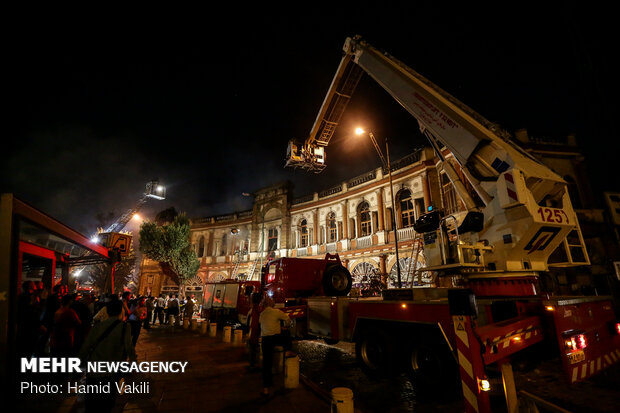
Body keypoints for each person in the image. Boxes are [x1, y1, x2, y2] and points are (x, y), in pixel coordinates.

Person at [78, 300, 137, 413]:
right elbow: (129, 348)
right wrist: (134, 363)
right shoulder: (125, 327)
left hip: (93, 372)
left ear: (107, 311)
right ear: (121, 311)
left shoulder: (97, 327)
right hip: (110, 373)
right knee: (107, 405)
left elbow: (85, 348)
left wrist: (75, 368)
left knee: (91, 405)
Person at [258, 296, 291, 396]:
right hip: (275, 339)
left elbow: (262, 324)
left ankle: (266, 388)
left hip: (265, 340)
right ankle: (288, 349)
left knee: (266, 363)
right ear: (272, 304)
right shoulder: (276, 312)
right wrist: (284, 326)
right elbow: (287, 318)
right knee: (286, 333)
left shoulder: (262, 314)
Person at [246, 292, 262, 371]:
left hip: (252, 331)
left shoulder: (253, 309)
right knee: (253, 348)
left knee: (252, 348)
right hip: (254, 331)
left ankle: (252, 364)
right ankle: (252, 365)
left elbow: (249, 320)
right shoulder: (258, 309)